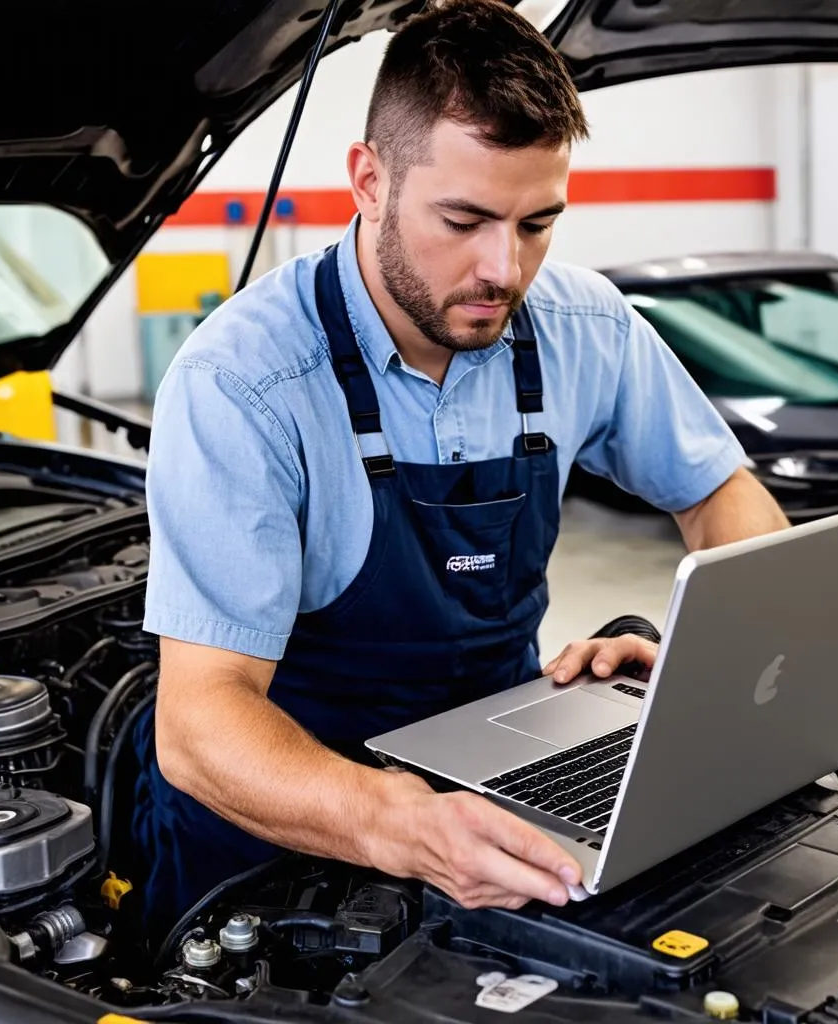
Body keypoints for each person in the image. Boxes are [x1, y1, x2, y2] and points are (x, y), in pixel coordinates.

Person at [133, 0, 790, 935]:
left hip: (505, 793)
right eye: (465, 218)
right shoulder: (244, 382)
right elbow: (199, 728)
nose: (503, 269)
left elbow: (726, 495)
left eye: (537, 224)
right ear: (368, 181)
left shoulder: (582, 327)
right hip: (268, 864)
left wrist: (702, 662)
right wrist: (394, 820)